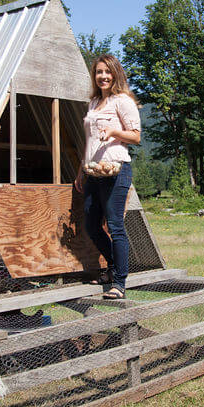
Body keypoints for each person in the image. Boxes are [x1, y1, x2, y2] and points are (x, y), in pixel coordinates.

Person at [74, 54, 141, 299]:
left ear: (116, 74)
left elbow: (135, 136)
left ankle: (120, 283)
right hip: (93, 170)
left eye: (107, 72)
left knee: (115, 226)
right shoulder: (93, 103)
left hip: (116, 169)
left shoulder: (122, 101)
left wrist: (113, 131)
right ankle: (113, 268)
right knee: (91, 225)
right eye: (99, 72)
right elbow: (89, 141)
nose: (103, 76)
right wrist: (81, 170)